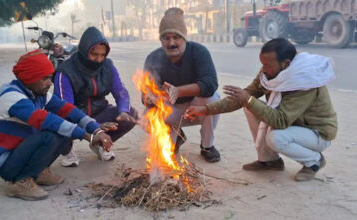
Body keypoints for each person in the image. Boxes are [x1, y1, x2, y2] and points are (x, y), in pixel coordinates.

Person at [185, 38, 337, 181]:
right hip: (293, 123)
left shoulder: (304, 81)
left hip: (316, 133)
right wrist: (205, 109)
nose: (263, 70)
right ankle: (269, 161)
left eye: (268, 65)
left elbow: (280, 120)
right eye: (262, 64)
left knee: (276, 138)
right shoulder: (269, 73)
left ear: (285, 64)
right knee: (250, 107)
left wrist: (248, 99)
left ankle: (314, 161)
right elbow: (246, 96)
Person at [0, 50, 113, 200]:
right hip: (5, 163)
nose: (50, 83)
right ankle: (18, 182)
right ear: (29, 78)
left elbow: (69, 110)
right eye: (44, 78)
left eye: (50, 77)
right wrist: (88, 137)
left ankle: (38, 172)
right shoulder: (11, 96)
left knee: (66, 126)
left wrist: (97, 130)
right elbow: (46, 120)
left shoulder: (39, 93)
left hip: (21, 152)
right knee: (50, 133)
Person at [143, 8, 221, 162]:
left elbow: (210, 84)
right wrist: (151, 97)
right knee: (147, 119)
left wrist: (178, 91)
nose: (171, 43)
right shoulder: (153, 58)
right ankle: (176, 137)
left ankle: (207, 146)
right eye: (166, 38)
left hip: (196, 107)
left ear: (184, 38)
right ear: (161, 40)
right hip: (171, 110)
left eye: (176, 37)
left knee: (212, 99)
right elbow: (145, 96)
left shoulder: (199, 52)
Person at [54, 27, 138, 166]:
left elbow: (121, 92)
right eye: (94, 54)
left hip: (99, 111)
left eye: (103, 55)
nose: (99, 59)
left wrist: (123, 111)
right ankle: (66, 151)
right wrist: (95, 127)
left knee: (132, 114)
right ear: (84, 51)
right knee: (59, 120)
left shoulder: (108, 66)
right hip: (75, 116)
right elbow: (66, 109)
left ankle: (99, 144)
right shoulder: (65, 72)